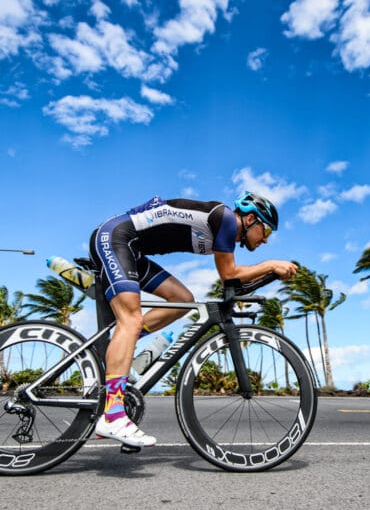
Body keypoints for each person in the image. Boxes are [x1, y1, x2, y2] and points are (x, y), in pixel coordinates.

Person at [89, 191, 298, 447]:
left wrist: (269, 273)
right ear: (252, 219)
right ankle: (112, 415)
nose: (265, 240)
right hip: (115, 238)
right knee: (130, 320)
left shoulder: (226, 231)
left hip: (132, 250)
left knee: (183, 300)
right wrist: (270, 265)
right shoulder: (226, 219)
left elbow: (232, 279)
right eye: (266, 232)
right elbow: (229, 273)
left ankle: (124, 346)